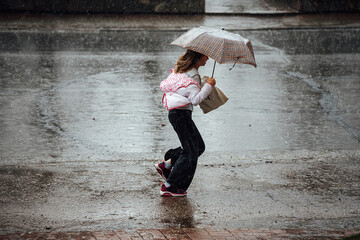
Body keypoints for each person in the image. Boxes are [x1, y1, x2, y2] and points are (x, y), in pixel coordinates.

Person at [155, 49, 216, 197]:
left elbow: (186, 92)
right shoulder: (193, 74)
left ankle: (168, 163)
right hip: (181, 115)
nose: (207, 58)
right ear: (197, 57)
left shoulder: (181, 70)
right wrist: (209, 85)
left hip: (177, 114)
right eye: (205, 55)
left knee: (198, 146)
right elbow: (195, 100)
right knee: (191, 151)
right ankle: (171, 186)